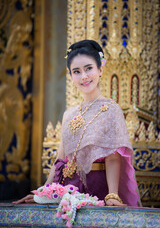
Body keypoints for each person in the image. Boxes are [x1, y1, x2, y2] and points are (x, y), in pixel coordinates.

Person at [13, 40, 140, 207]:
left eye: (89, 68)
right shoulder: (69, 114)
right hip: (66, 191)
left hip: (97, 189)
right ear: (71, 76)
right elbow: (60, 160)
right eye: (77, 71)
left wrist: (113, 194)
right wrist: (43, 192)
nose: (84, 76)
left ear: (100, 69)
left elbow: (113, 159)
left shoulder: (111, 110)